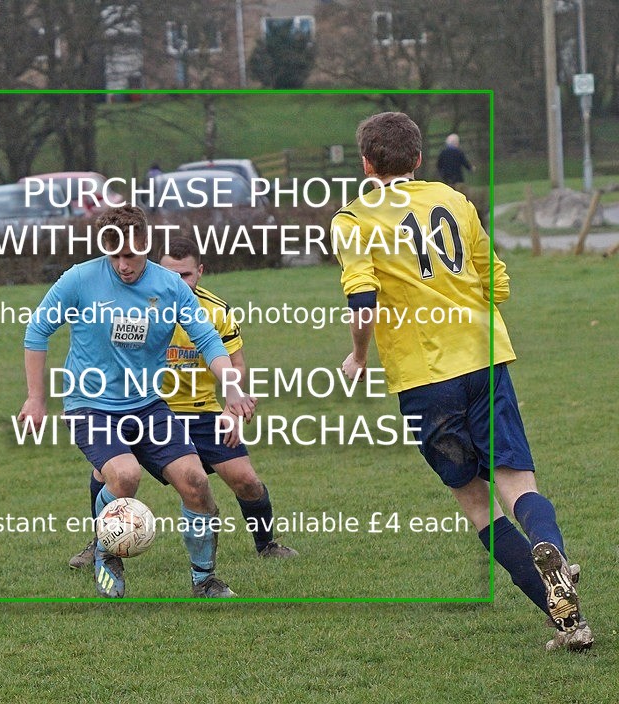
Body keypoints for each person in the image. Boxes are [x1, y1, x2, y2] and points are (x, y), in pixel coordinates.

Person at [332, 111, 593, 652]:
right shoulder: (454, 201)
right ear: (420, 158)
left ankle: (564, 618)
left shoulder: (353, 220)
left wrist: (358, 355)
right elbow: (495, 279)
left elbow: (363, 300)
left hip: (425, 380)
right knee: (518, 481)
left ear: (366, 164)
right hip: (485, 360)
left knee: (478, 504)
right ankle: (551, 551)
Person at [19, 205, 256, 599]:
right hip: (90, 405)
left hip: (147, 404)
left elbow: (207, 339)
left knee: (196, 482)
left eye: (131, 255)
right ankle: (105, 550)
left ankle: (204, 580)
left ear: (146, 244)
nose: (123, 265)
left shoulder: (170, 286)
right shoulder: (79, 279)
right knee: (125, 476)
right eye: (114, 255)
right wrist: (35, 398)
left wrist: (231, 386)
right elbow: (37, 330)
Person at [69, 237, 297, 569]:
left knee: (246, 480)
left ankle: (266, 544)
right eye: (170, 274)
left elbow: (236, 364)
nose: (178, 282)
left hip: (201, 413)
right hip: (145, 409)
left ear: (200, 272)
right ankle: (101, 542)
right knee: (107, 472)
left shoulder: (215, 310)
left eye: (186, 275)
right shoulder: (133, 305)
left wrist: (232, 409)